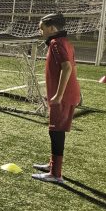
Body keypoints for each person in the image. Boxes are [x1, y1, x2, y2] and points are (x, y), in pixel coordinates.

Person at [32, 13, 81, 184]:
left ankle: (55, 174)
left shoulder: (56, 43)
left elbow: (67, 68)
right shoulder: (65, 42)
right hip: (68, 94)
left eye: (42, 28)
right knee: (56, 131)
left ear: (51, 28)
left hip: (63, 97)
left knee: (56, 132)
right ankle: (53, 165)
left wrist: (58, 95)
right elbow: (73, 67)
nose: (40, 32)